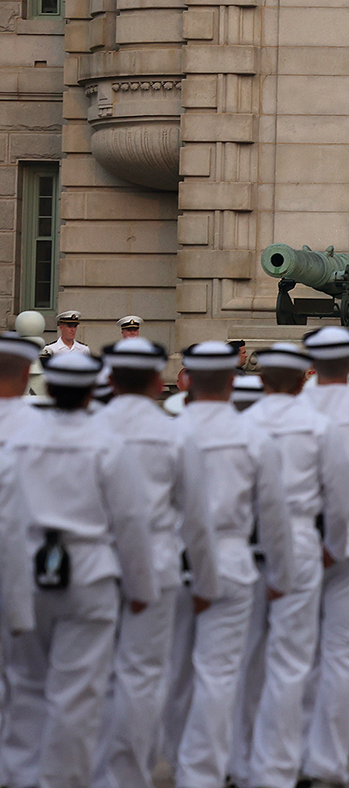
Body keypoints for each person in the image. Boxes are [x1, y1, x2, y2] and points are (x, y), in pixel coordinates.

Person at [4, 351, 158, 788]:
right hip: (90, 574)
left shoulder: (21, 442)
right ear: (93, 390)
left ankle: (20, 778)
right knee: (76, 695)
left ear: (49, 388)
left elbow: (8, 519)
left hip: (29, 572)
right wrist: (141, 586)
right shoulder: (108, 443)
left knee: (27, 688)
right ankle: (63, 780)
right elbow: (129, 521)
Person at [173, 341, 291, 788]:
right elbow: (274, 515)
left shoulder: (170, 429)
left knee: (172, 670)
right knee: (220, 673)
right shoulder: (252, 437)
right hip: (231, 559)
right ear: (230, 380)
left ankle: (175, 758)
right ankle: (203, 772)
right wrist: (280, 573)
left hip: (174, 557)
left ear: (187, 381)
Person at [90, 338, 187, 788]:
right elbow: (197, 517)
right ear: (156, 381)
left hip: (95, 564)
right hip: (159, 564)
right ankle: (129, 774)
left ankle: (92, 771)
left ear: (108, 379)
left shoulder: (89, 427)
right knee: (144, 675)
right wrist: (203, 578)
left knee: (94, 675)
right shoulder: (174, 432)